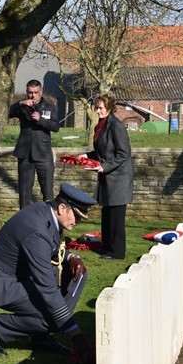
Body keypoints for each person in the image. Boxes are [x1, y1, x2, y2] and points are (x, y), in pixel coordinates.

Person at [0, 183, 96, 357]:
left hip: (21, 275)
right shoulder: (36, 229)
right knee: (53, 317)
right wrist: (76, 335)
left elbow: (52, 248)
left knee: (77, 274)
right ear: (62, 208)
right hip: (0, 282)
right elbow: (46, 286)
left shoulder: (47, 212)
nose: (78, 222)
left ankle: (40, 336)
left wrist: (72, 257)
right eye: (76, 216)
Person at [79, 92, 134, 260]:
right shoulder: (101, 125)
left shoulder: (116, 126)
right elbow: (102, 151)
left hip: (118, 177)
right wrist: (87, 156)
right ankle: (107, 247)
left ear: (109, 108)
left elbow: (123, 153)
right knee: (107, 214)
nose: (97, 111)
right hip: (108, 177)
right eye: (96, 107)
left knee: (116, 215)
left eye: (101, 108)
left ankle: (117, 252)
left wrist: (105, 167)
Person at [9, 79, 59, 209]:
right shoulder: (22, 106)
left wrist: (40, 120)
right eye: (30, 92)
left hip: (43, 154)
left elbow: (55, 127)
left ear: (41, 92)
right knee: (24, 193)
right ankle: (25, 219)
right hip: (25, 154)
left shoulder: (49, 106)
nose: (33, 95)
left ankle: (48, 218)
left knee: (48, 192)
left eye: (36, 92)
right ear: (27, 92)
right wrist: (20, 103)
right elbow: (7, 113)